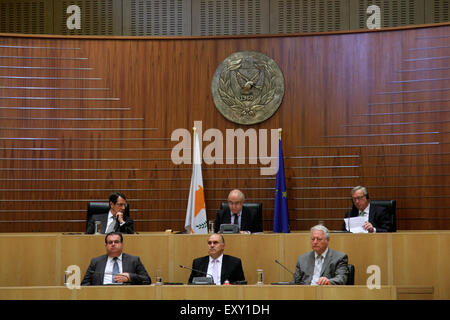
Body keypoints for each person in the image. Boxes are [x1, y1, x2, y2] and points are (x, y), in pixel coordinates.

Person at [81, 232, 151, 285]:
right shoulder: (96, 262)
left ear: (122, 245)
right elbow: (84, 284)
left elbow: (147, 280)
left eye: (116, 242)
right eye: (110, 242)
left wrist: (130, 277)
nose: (113, 244)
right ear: (106, 246)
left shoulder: (134, 260)